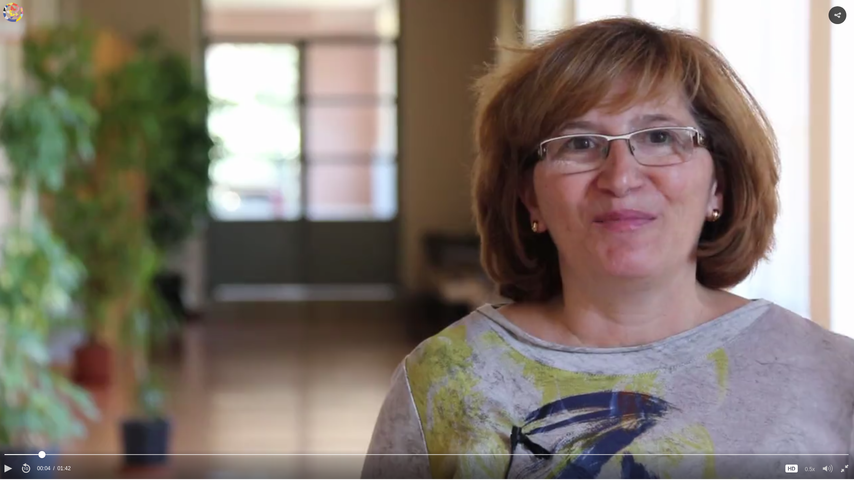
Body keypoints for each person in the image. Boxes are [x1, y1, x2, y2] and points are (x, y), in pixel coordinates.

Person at [362, 17, 854, 480]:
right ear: (529, 196)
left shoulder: (833, 375)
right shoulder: (442, 380)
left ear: (718, 186)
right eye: (579, 143)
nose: (621, 178)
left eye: (659, 137)